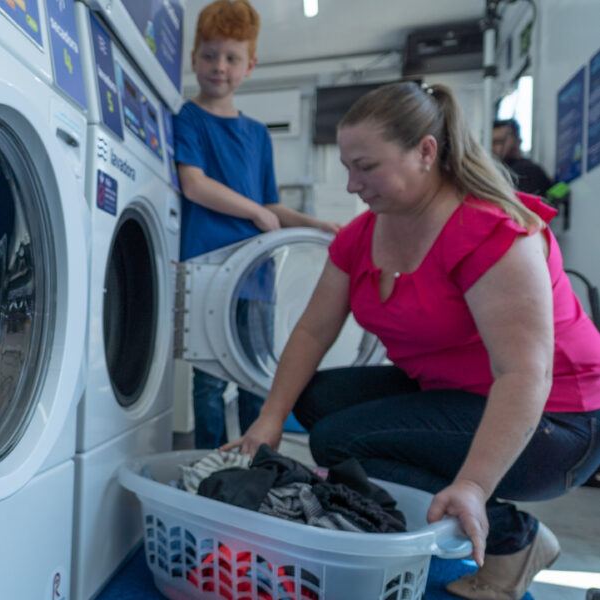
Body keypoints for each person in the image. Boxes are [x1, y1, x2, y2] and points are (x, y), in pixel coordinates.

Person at [222, 81, 600, 600]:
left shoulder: (492, 230)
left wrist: (473, 484)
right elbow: (312, 330)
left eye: (367, 167)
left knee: (338, 443)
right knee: (315, 401)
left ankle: (516, 537)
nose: (353, 184)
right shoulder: (364, 233)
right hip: (459, 392)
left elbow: (524, 374)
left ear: (426, 151)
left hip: (559, 424)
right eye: (348, 167)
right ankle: (464, 511)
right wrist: (267, 419)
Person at [174, 0, 339, 449]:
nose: (219, 67)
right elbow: (194, 184)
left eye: (231, 58)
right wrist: (253, 212)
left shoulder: (257, 134)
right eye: (210, 55)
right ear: (193, 59)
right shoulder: (188, 119)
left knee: (255, 377)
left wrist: (315, 224)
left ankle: (255, 462)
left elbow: (272, 206)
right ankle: (210, 466)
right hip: (207, 268)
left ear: (250, 65)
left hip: (257, 275)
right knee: (208, 385)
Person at [492, 118, 554, 196]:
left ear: (518, 141)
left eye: (499, 142)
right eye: (492, 143)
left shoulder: (527, 170)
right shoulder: (500, 171)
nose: (494, 148)